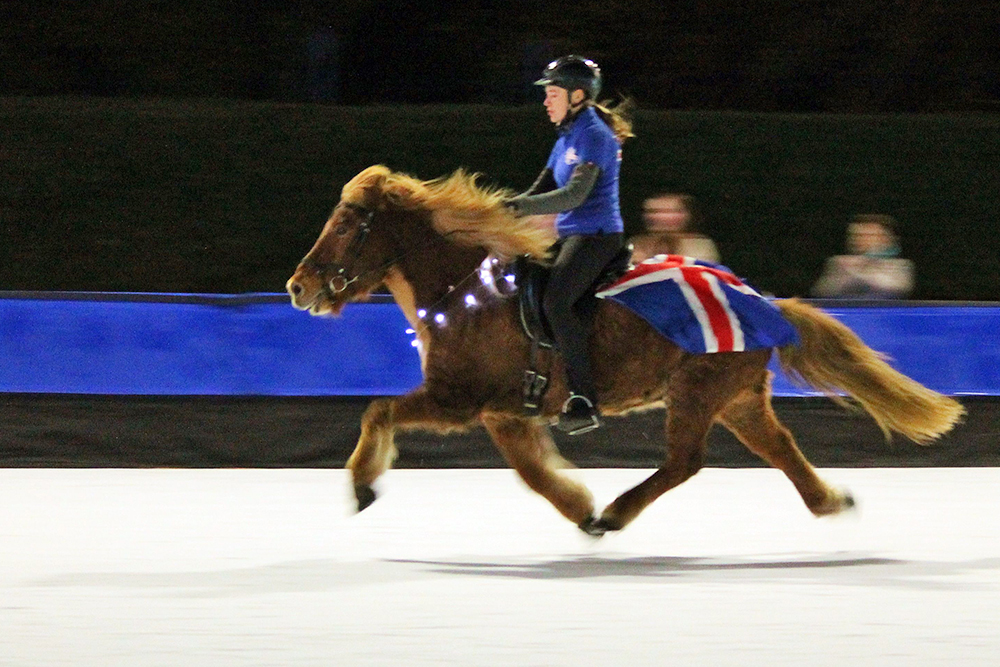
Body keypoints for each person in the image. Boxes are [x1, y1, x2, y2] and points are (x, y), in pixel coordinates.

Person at [504, 55, 633, 435]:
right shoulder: (566, 136)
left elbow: (574, 196)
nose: (546, 101)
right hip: (571, 235)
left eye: (553, 93)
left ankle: (584, 398)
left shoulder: (595, 136)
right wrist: (502, 211)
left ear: (578, 96)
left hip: (597, 237)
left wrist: (519, 206)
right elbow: (542, 187)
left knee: (556, 302)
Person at [811, 214, 915, 299]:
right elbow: (822, 291)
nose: (861, 239)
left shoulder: (900, 266)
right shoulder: (839, 263)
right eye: (857, 235)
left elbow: (898, 288)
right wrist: (847, 272)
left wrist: (861, 270)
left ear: (884, 238)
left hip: (883, 318)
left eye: (869, 235)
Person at [631, 193, 720, 264]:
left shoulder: (701, 246)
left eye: (669, 212)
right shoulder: (635, 245)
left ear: (686, 216)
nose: (661, 217)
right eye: (654, 211)